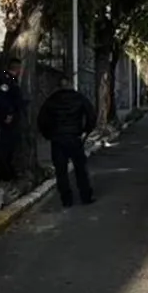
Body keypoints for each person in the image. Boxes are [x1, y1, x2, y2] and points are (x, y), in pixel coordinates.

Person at [37, 76, 98, 207]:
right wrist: (86, 131)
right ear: (71, 84)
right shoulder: (79, 98)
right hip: (74, 137)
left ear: (59, 86)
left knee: (61, 171)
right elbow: (91, 115)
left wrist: (49, 135)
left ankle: (66, 199)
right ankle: (85, 196)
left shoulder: (52, 100)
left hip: (58, 139)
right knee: (80, 169)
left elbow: (42, 119)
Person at [0, 57, 24, 181]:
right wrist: (9, 113)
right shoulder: (6, 80)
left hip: (12, 115)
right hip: (7, 116)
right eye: (19, 68)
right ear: (17, 68)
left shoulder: (12, 80)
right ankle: (5, 172)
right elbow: (3, 98)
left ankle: (8, 170)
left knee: (11, 144)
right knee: (6, 144)